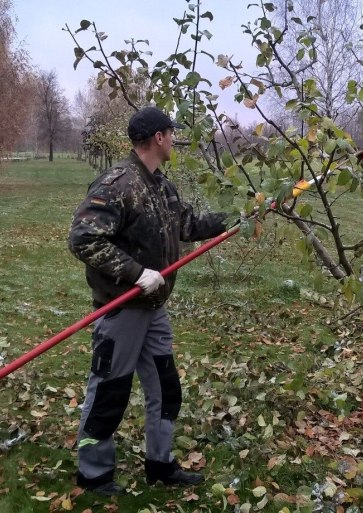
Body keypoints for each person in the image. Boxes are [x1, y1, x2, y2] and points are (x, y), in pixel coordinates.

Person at [68, 106, 228, 495]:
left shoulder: (160, 186)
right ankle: (93, 474)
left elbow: (188, 225)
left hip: (153, 309)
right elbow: (83, 238)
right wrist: (137, 273)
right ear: (159, 137)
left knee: (165, 387)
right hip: (122, 309)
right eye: (171, 134)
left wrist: (238, 217)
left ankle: (160, 463)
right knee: (109, 390)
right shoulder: (119, 184)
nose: (173, 140)